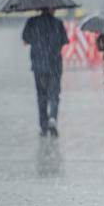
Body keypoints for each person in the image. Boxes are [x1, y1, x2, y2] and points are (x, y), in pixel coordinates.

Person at [22, 8, 69, 137]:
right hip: (54, 65)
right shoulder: (58, 23)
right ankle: (53, 118)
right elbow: (65, 42)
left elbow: (25, 41)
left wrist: (37, 40)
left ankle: (43, 126)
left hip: (39, 65)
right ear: (51, 8)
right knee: (54, 94)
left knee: (41, 96)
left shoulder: (32, 22)